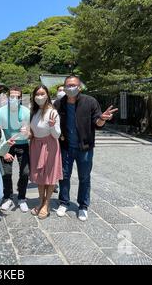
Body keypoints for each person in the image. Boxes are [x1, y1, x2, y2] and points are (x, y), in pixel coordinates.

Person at [53, 75, 118, 221]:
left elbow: (98, 124)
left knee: (84, 177)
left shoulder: (90, 102)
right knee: (64, 176)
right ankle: (64, 202)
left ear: (79, 87)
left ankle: (83, 206)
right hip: (65, 146)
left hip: (85, 147)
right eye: (68, 85)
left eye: (73, 85)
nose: (71, 88)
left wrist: (102, 118)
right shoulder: (59, 104)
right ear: (64, 87)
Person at [29, 85, 63, 219]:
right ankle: (40, 200)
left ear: (47, 95)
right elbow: (33, 128)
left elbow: (57, 135)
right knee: (39, 176)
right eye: (37, 94)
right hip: (36, 145)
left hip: (49, 145)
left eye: (42, 94)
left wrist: (52, 125)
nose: (40, 97)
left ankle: (46, 203)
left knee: (49, 175)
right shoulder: (34, 111)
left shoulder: (52, 112)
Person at [0, 86, 31, 212]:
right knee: (7, 172)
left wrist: (27, 132)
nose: (14, 99)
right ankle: (8, 197)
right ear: (7, 97)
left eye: (17, 97)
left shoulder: (27, 111)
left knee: (25, 172)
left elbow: (31, 131)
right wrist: (3, 149)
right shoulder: (0, 112)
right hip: (7, 144)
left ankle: (22, 197)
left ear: (20, 98)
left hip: (23, 144)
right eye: (12, 96)